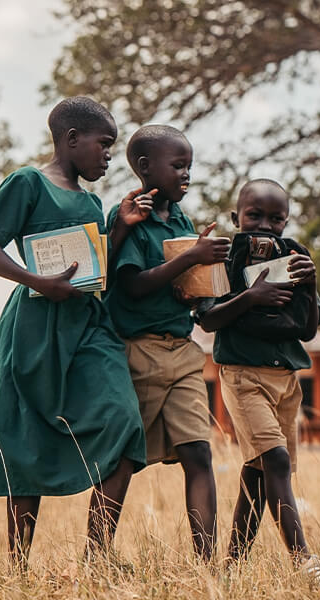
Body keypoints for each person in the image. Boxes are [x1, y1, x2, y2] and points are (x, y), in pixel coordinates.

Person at [0, 96, 156, 569]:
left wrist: (121, 229)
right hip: (32, 327)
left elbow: (90, 265)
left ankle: (98, 556)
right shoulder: (28, 182)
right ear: (72, 139)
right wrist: (36, 281)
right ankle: (17, 567)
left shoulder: (93, 201)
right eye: (104, 144)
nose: (109, 155)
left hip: (88, 326)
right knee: (26, 437)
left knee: (125, 422)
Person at [103, 124, 230, 562]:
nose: (186, 175)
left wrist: (195, 279)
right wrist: (192, 258)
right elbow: (132, 287)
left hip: (182, 350)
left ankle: (208, 565)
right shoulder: (127, 220)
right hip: (137, 353)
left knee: (199, 452)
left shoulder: (180, 221)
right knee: (124, 458)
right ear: (144, 167)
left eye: (189, 167)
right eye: (178, 166)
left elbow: (180, 285)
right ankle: (97, 555)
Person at [197, 179, 320, 588]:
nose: (265, 225)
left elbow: (306, 332)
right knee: (276, 462)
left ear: (287, 221)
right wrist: (251, 297)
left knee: (258, 472)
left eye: (276, 218)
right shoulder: (223, 259)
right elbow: (208, 318)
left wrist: (309, 284)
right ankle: (303, 560)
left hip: (287, 380)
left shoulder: (294, 258)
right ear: (237, 218)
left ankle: (232, 568)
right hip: (243, 376)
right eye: (254, 215)